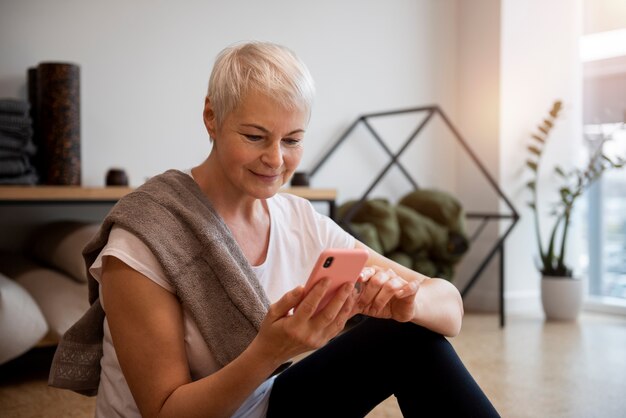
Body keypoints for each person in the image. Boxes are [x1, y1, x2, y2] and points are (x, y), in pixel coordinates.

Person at [49, 41, 500, 417]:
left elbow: (451, 309)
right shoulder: (144, 237)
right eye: (255, 136)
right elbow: (166, 413)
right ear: (211, 116)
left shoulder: (297, 219)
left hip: (264, 406)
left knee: (411, 337)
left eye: (293, 140)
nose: (276, 159)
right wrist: (267, 350)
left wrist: (409, 302)